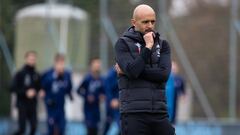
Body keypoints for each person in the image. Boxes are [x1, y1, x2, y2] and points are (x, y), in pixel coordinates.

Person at [114, 4, 175, 135]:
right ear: (134, 22)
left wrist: (129, 72)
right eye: (145, 22)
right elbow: (133, 71)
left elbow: (163, 75)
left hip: (159, 112)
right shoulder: (122, 44)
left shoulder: (163, 45)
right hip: (133, 113)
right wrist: (147, 47)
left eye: (152, 21)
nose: (150, 25)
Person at [41, 53, 73, 135]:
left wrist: (70, 95)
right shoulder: (48, 74)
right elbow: (42, 85)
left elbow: (69, 87)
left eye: (63, 63)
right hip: (51, 106)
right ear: (55, 63)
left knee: (62, 129)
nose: (61, 66)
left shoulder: (67, 75)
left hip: (61, 106)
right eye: (59, 63)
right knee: (51, 129)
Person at [11, 51, 41, 135]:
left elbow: (39, 88)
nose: (32, 61)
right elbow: (13, 88)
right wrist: (25, 93)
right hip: (22, 105)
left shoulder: (37, 74)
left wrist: (39, 91)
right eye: (30, 59)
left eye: (33, 59)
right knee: (22, 130)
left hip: (33, 105)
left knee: (34, 127)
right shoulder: (20, 74)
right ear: (26, 59)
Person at [77, 59, 105, 135]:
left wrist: (102, 96)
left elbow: (104, 92)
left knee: (96, 130)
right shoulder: (87, 78)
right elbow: (78, 90)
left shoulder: (101, 79)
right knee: (90, 129)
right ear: (91, 67)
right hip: (88, 109)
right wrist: (86, 96)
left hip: (97, 109)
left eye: (98, 66)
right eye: (95, 65)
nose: (97, 67)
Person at [103, 67, 120, 135]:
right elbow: (107, 90)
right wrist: (111, 100)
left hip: (120, 106)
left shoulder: (126, 73)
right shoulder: (111, 75)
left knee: (121, 127)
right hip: (110, 107)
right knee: (106, 126)